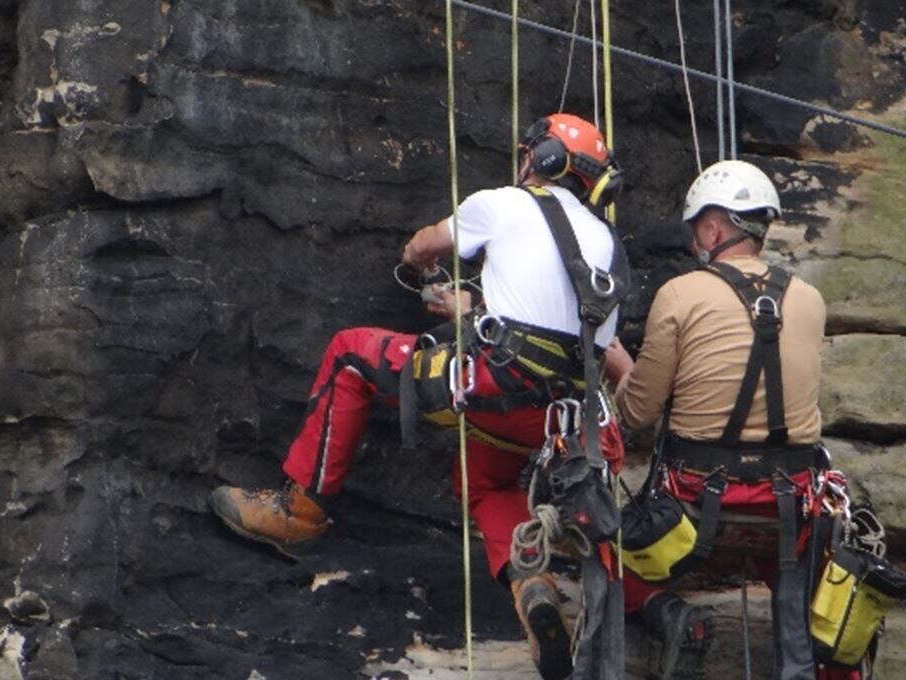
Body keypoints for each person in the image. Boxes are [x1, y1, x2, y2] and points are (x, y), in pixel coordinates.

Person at [210, 113, 645, 680]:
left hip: (492, 384)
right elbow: (599, 352)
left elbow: (422, 245)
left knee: (350, 352)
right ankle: (532, 584)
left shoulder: (504, 203)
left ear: (540, 160)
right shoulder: (608, 247)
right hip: (560, 418)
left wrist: (425, 269)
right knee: (483, 480)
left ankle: (300, 512)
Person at [605, 160, 857, 680]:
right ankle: (800, 668)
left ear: (715, 228)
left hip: (693, 503)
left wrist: (620, 366)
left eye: (699, 227)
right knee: (800, 555)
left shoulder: (680, 293)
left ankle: (663, 618)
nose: (696, 239)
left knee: (597, 537)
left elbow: (637, 412)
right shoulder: (809, 300)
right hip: (790, 502)